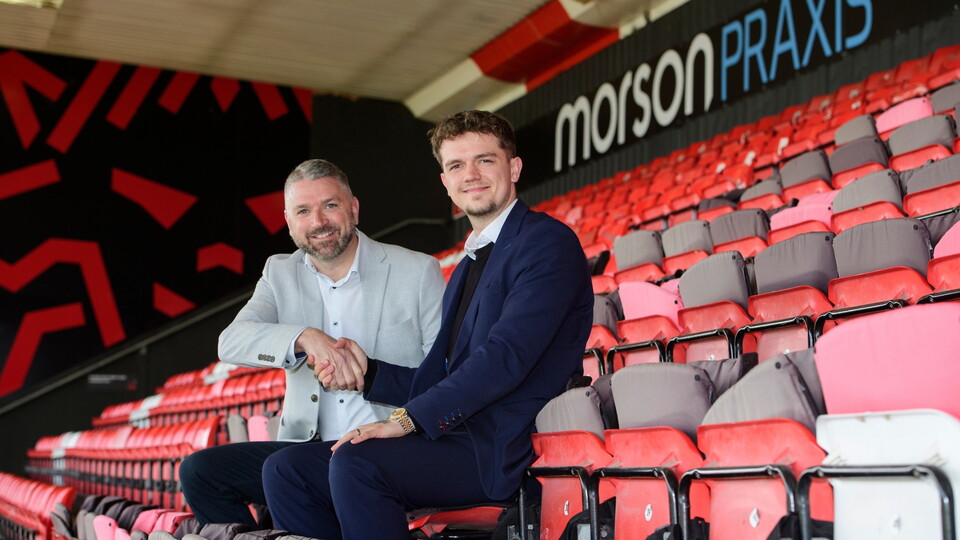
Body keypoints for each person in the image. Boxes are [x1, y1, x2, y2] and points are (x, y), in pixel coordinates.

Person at [260, 110, 594, 540]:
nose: (470, 175)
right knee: (287, 470)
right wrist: (369, 374)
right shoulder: (469, 262)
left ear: (513, 168)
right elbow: (440, 376)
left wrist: (405, 420)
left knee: (357, 461)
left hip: (500, 446)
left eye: (485, 161)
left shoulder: (547, 243)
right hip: (455, 437)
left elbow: (506, 358)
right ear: (445, 181)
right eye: (456, 165)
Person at [179, 159, 444, 526]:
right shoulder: (279, 272)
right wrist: (304, 337)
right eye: (304, 211)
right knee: (200, 471)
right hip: (307, 445)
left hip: (388, 446)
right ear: (289, 222)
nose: (318, 221)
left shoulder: (417, 271)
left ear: (353, 208)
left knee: (286, 471)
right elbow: (231, 341)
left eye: (330, 206)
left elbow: (444, 376)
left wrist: (371, 375)